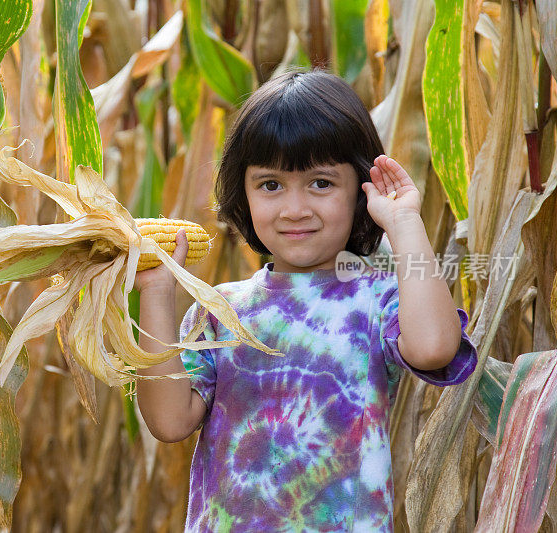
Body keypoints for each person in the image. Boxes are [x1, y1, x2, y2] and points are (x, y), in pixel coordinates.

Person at [133, 69, 478, 531]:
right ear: (244, 193)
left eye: (321, 183)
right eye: (271, 185)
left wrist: (404, 224)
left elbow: (436, 347)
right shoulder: (219, 310)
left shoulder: (376, 300)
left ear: (361, 191)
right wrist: (156, 293)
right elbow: (170, 421)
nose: (295, 209)